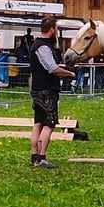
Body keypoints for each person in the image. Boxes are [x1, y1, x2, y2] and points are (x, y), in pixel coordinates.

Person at [29, 16, 75, 169]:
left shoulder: (40, 45)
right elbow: (52, 68)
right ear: (51, 29)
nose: (58, 31)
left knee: (38, 124)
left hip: (37, 89)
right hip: (46, 91)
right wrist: (69, 73)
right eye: (56, 28)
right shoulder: (42, 46)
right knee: (49, 124)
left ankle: (34, 157)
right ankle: (42, 157)